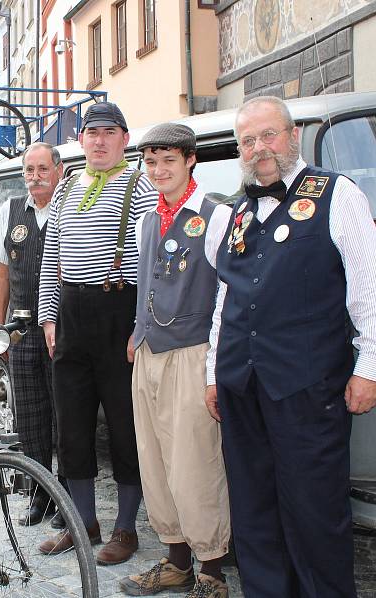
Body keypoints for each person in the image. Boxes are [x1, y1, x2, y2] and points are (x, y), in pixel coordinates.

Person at [206, 96, 376, 597]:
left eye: (268, 135)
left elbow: (370, 287)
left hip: (307, 388)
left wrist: (372, 365)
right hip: (242, 389)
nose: (258, 149)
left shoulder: (337, 195)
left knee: (315, 514)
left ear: (291, 137)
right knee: (253, 513)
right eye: (247, 141)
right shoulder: (237, 213)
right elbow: (226, 298)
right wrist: (214, 372)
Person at [37, 102, 158, 565]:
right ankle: (82, 522)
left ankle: (126, 528)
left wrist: (140, 326)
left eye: (110, 132)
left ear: (125, 139)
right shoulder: (66, 188)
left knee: (126, 427)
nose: (100, 140)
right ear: (81, 140)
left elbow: (151, 265)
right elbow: (53, 257)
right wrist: (49, 319)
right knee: (71, 424)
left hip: (118, 314)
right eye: (93, 133)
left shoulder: (141, 186)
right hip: (72, 315)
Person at [118, 124, 231, 598]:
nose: (158, 170)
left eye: (168, 160)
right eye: (150, 161)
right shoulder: (147, 220)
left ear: (190, 162)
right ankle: (175, 560)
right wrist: (136, 332)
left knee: (196, 462)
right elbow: (146, 283)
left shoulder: (216, 215)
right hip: (149, 353)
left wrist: (217, 365)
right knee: (156, 459)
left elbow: (228, 293)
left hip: (192, 351)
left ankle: (213, 570)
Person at [0, 142, 65, 527]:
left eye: (42, 169)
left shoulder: (70, 207)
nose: (35, 177)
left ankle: (66, 494)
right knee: (30, 416)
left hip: (61, 330)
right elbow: (1, 274)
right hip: (20, 330)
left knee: (65, 415)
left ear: (59, 169)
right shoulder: (10, 209)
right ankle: (39, 494)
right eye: (29, 170)